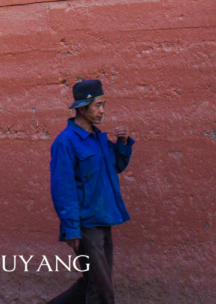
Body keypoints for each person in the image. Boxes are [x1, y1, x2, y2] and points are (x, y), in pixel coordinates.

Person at [46, 79, 132, 304]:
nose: (102, 111)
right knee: (102, 291)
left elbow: (117, 167)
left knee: (94, 282)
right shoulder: (65, 142)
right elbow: (62, 189)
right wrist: (71, 229)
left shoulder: (98, 138)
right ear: (82, 108)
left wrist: (122, 143)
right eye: (97, 105)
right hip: (85, 227)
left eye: (103, 105)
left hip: (104, 221)